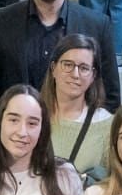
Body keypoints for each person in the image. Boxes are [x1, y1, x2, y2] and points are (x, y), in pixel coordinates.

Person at [40, 33, 115, 185]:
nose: (75, 74)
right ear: (53, 68)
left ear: (93, 75)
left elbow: (114, 183)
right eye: (68, 65)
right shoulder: (32, 116)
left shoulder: (107, 125)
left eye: (84, 68)